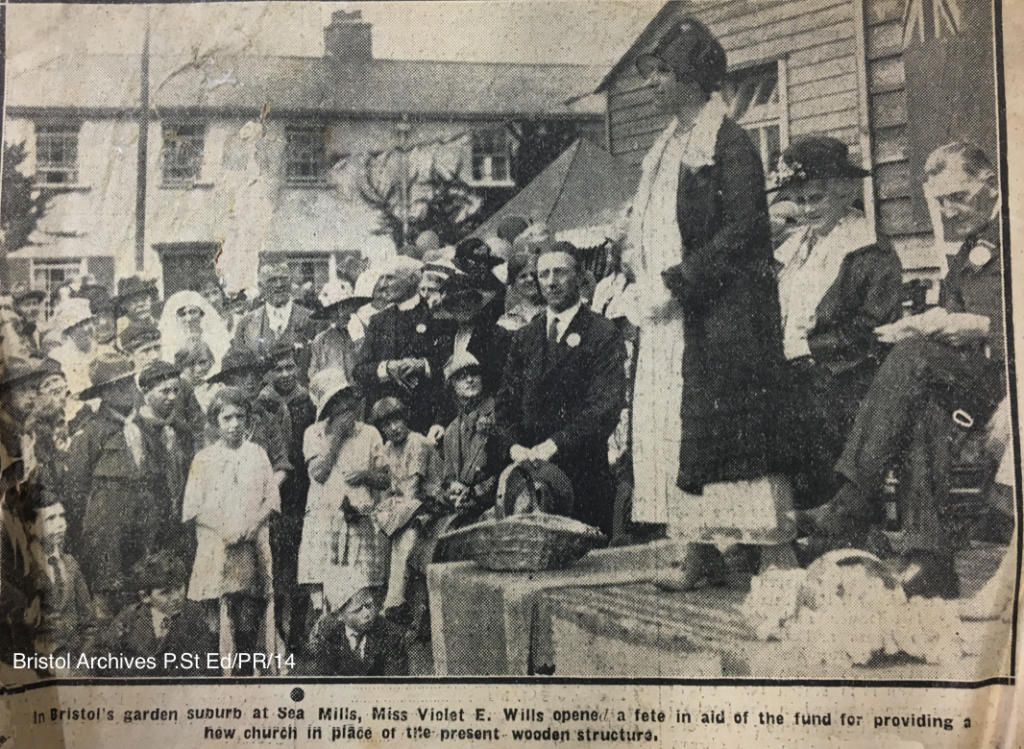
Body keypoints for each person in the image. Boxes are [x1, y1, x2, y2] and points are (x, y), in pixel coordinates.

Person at [623, 19, 794, 584]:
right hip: (670, 317)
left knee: (729, 432)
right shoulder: (667, 145)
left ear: (695, 79)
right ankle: (698, 549)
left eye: (663, 73)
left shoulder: (728, 141)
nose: (652, 85)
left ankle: (771, 557)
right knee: (674, 433)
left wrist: (678, 281)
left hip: (721, 314)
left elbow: (745, 229)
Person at [803, 143, 1008, 598]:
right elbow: (955, 311)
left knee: (913, 359)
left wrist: (984, 327)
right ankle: (929, 561)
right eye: (939, 202)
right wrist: (933, 323)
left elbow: (991, 320)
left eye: (957, 196)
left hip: (1008, 375)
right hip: (972, 380)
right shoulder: (972, 245)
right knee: (923, 406)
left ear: (990, 183)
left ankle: (854, 498)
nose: (949, 211)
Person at [769, 136, 904, 508]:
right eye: (800, 200)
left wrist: (805, 348)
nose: (807, 209)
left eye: (817, 198)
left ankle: (834, 521)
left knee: (802, 415)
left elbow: (874, 327)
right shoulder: (795, 246)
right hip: (796, 373)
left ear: (845, 193)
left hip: (845, 378)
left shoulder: (868, 248)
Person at [496, 242, 626, 536]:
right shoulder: (525, 338)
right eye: (543, 275)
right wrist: (515, 447)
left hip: (584, 482)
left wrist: (553, 445)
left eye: (560, 273)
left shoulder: (602, 333)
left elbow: (604, 407)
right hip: (530, 485)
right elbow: (505, 405)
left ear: (580, 277)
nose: (551, 282)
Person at [182, 387, 280, 674]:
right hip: (216, 546)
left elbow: (271, 499)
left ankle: (248, 671)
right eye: (227, 418)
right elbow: (192, 509)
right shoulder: (203, 458)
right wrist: (222, 528)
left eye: (240, 416)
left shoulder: (258, 454)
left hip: (251, 545)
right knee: (217, 613)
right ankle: (222, 675)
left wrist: (254, 523)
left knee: (248, 610)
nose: (234, 424)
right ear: (216, 422)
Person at [297, 369, 389, 618]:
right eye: (336, 403)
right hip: (324, 520)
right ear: (327, 409)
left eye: (346, 398)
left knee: (361, 594)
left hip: (358, 519)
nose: (345, 407)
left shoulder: (370, 434)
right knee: (325, 593)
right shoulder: (313, 433)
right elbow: (319, 473)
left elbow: (385, 479)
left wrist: (365, 476)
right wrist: (336, 435)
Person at [65, 353, 151, 618]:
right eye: (118, 385)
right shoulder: (91, 434)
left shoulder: (141, 427)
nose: (128, 390)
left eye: (130, 382)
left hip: (140, 535)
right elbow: (76, 494)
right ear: (103, 392)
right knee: (108, 614)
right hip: (106, 542)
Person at [257, 340, 316, 650]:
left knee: (301, 566)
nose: (285, 374)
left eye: (290, 367)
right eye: (278, 369)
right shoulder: (263, 406)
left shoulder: (308, 401)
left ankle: (299, 634)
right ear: (269, 373)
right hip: (276, 491)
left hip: (303, 492)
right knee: (277, 568)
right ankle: (276, 631)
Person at [353, 257, 449, 436]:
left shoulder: (436, 317)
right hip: (387, 426)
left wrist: (423, 365)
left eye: (390, 278)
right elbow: (359, 370)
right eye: (381, 278)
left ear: (413, 279)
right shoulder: (378, 321)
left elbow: (447, 368)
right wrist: (386, 368)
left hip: (426, 423)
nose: (382, 285)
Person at [369, 397, 443, 620]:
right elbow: (390, 489)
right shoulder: (388, 448)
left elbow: (413, 489)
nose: (393, 428)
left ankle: (395, 600)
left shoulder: (417, 442)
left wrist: (390, 509)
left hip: (431, 502)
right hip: (406, 507)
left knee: (406, 534)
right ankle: (380, 596)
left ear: (405, 418)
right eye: (386, 424)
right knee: (378, 525)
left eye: (397, 420)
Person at [91, 550, 216, 677]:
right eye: (165, 593)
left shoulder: (194, 615)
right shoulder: (130, 617)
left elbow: (205, 662)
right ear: (145, 596)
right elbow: (104, 655)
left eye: (179, 587)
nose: (176, 597)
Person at [130, 360, 195, 556]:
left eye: (176, 390)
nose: (172, 397)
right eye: (164, 391)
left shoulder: (182, 430)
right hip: (148, 530)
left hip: (181, 526)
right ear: (146, 393)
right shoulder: (135, 430)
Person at [24, 493, 95, 660]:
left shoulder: (70, 565)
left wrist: (82, 665)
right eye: (50, 519)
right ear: (30, 527)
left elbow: (89, 625)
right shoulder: (22, 569)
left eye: (62, 516)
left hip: (73, 663)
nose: (61, 525)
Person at [292, 575, 407, 676]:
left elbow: (395, 682)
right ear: (340, 615)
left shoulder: (390, 634)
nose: (367, 614)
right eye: (358, 609)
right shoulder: (326, 634)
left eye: (369, 606)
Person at [206, 346, 291, 482]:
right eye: (243, 374)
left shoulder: (268, 418)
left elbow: (281, 464)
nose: (250, 380)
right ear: (228, 381)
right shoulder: (215, 421)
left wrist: (266, 493)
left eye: (255, 373)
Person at [232, 264, 314, 378]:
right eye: (271, 280)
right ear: (260, 286)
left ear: (291, 282)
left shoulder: (312, 320)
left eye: (283, 279)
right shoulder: (245, 324)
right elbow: (241, 371)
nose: (279, 285)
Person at [307, 286, 369, 382]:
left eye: (344, 306)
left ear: (353, 306)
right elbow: (314, 374)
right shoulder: (321, 340)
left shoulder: (367, 331)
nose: (339, 314)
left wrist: (358, 339)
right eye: (333, 309)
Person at [158, 289, 231, 370]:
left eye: (192, 312)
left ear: (201, 314)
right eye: (182, 314)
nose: (188, 319)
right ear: (175, 318)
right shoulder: (171, 346)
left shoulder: (214, 339)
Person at [498, 250, 545, 332]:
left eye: (533, 274)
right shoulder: (507, 321)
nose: (530, 279)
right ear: (513, 284)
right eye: (523, 276)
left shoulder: (550, 310)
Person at [9, 283, 47, 355]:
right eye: (27, 305)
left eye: (35, 303)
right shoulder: (13, 329)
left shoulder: (41, 328)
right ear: (17, 309)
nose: (33, 308)